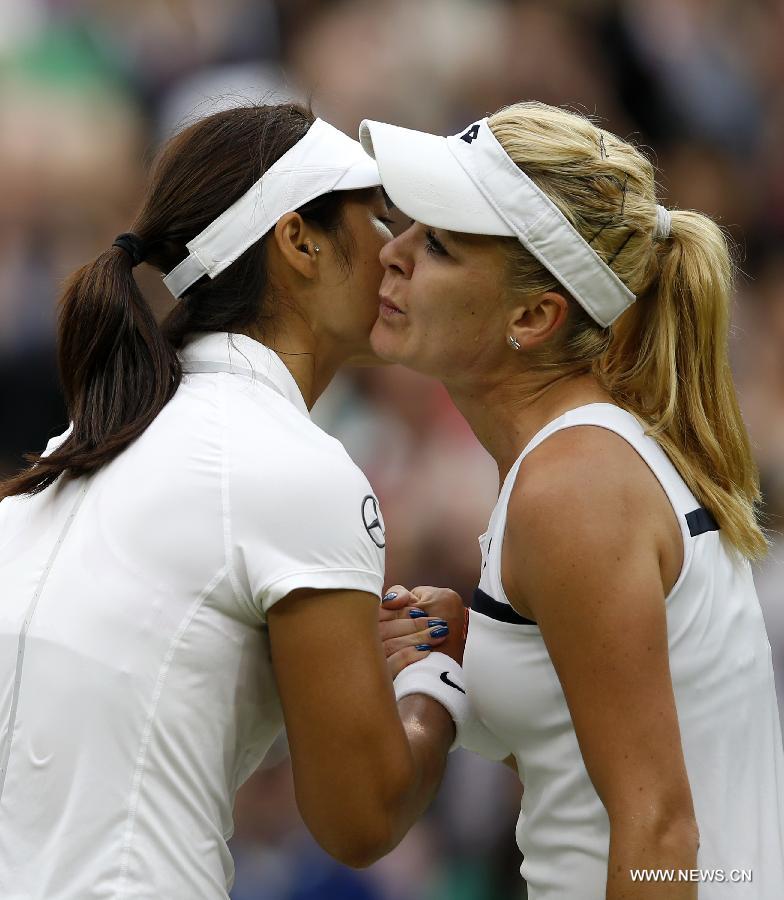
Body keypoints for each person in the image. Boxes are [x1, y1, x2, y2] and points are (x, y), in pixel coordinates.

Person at [0, 103, 468, 900]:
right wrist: (436, 675)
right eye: (380, 216)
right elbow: (361, 818)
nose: (400, 253)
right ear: (299, 241)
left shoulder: (79, 445)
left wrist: (336, 659)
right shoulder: (296, 469)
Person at [363, 101, 784, 899]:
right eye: (407, 226)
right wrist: (479, 645)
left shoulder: (574, 487)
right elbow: (587, 767)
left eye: (440, 244)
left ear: (533, 316)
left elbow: (659, 828)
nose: (395, 253)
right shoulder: (579, 459)